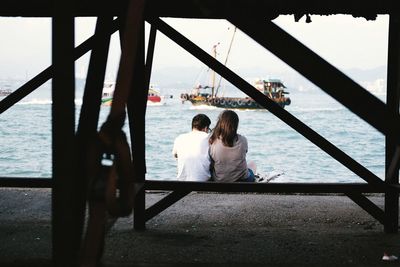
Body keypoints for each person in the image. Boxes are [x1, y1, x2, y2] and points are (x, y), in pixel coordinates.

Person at [209, 110, 256, 182]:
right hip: (242, 180)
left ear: (220, 123)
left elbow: (212, 162)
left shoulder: (213, 140)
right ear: (236, 124)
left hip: (219, 180)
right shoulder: (243, 140)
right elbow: (244, 154)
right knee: (252, 164)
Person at [172, 114, 212, 181]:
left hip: (182, 182)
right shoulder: (209, 138)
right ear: (205, 128)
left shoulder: (179, 138)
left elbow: (176, 155)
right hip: (203, 183)